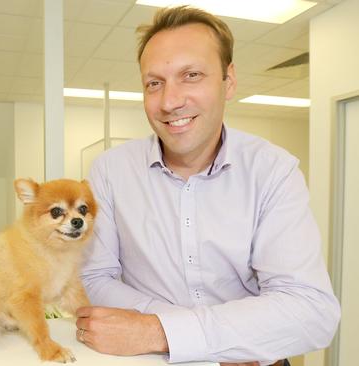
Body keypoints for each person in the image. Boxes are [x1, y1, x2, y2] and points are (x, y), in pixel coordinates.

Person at [75, 6, 340, 366]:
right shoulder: (110, 171)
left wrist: (157, 331)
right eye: (154, 83)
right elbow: (94, 278)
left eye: (191, 75)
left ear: (228, 81)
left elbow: (311, 311)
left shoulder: (273, 171)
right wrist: (202, 338)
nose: (170, 101)